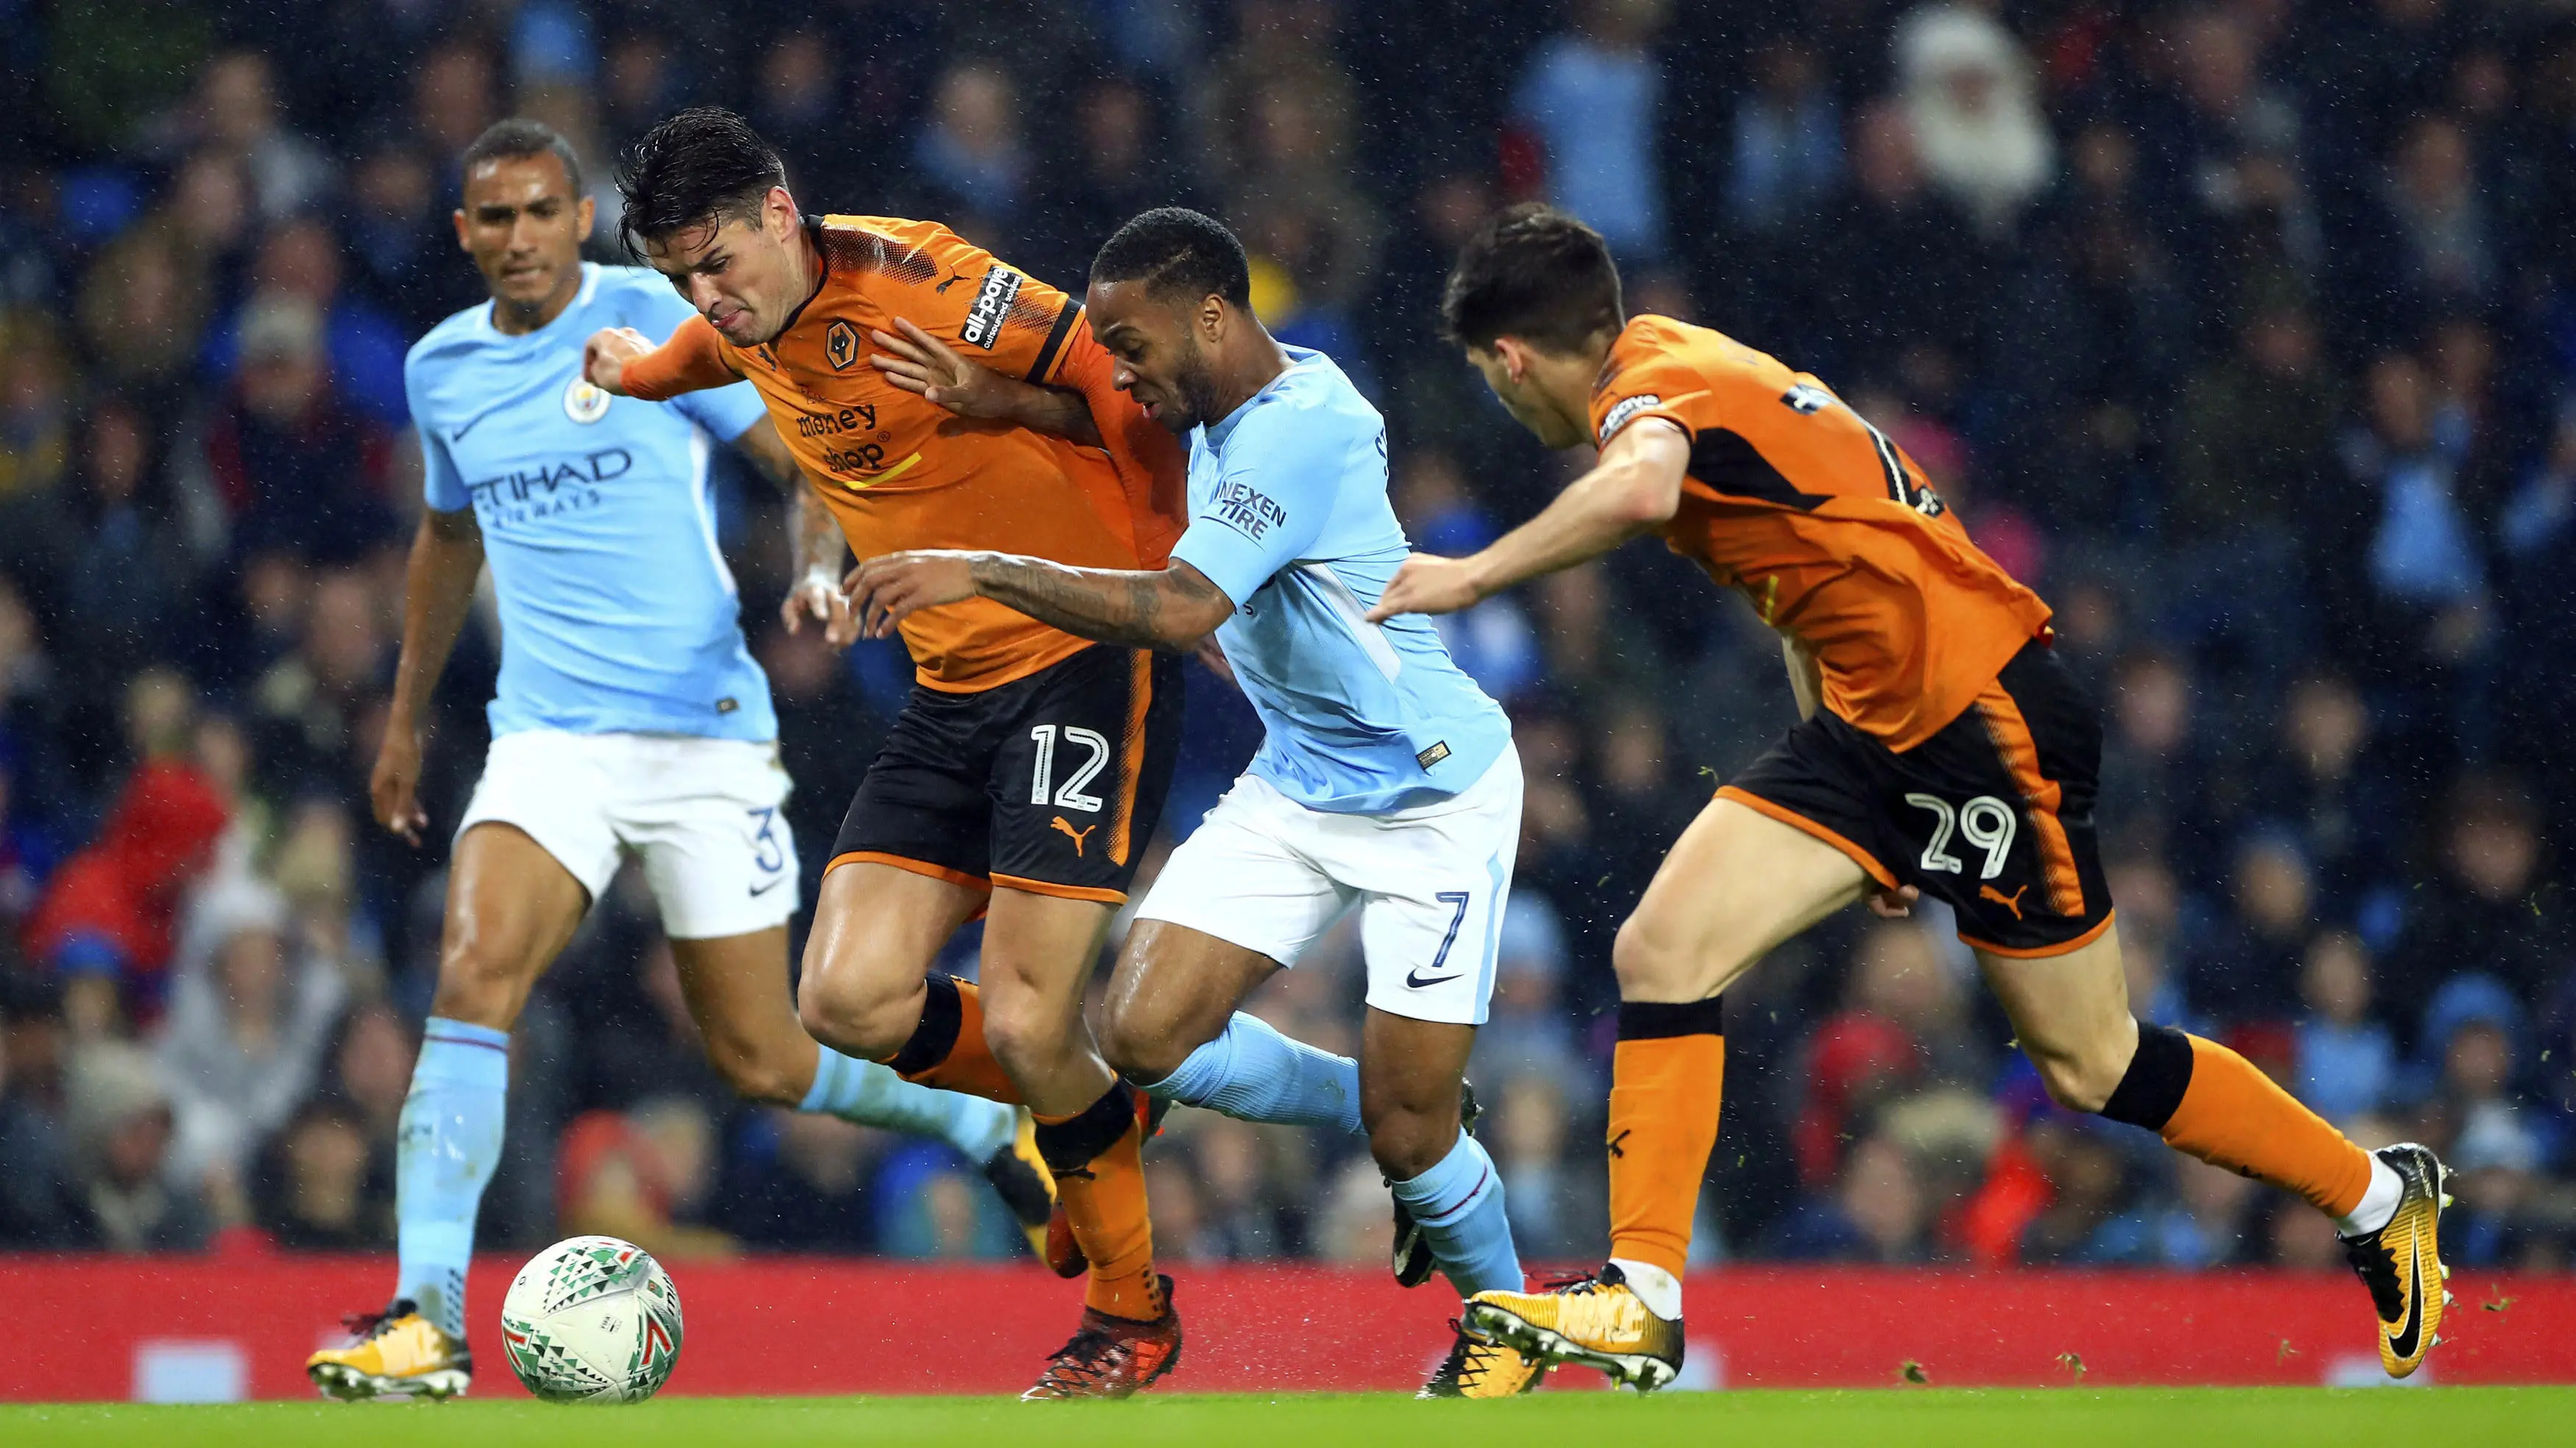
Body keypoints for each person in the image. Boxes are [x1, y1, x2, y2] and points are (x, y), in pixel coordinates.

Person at [1373, 205, 2452, 1388]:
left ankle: (2376, 1194)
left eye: (1488, 377)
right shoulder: (1684, 355)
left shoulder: (1650, 401)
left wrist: (1471, 573)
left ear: (1512, 359)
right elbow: (1805, 575)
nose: (1499, 401)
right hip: (1869, 731)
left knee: (2089, 1062)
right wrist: (1845, 820)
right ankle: (1643, 1294)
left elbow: (1636, 492)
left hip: (1980, 718)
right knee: (1663, 949)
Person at [305, 120, 1050, 1403]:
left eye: (543, 211)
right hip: (549, 741)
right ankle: (424, 1320)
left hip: (703, 733)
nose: (522, 236)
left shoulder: (662, 317)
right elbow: (444, 542)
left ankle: (976, 1117)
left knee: (762, 1057)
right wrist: (406, 719)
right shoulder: (441, 372)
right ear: (464, 234)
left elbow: (803, 451)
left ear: (575, 220)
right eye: (496, 218)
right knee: (474, 971)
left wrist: (818, 568)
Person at [848, 208, 1537, 1397]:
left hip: (1435, 795)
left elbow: (1179, 612)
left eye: (1130, 344)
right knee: (1141, 1037)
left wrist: (986, 567)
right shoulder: (1224, 404)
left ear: (1211, 316)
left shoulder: (1301, 434)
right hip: (1303, 779)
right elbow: (1114, 428)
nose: (1117, 372)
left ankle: (1505, 1327)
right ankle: (1393, 1101)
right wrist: (1005, 401)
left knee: (1415, 1142)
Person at [581, 107, 1192, 1399]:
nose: (709, 295)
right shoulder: (736, 320)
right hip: (950, 691)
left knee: (1030, 1019)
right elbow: (708, 354)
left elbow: (1127, 383)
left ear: (782, 211)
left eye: (722, 261)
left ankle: (1130, 1317)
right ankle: (1093, 1108)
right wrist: (633, 370)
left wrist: (1142, 546)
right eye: (680, 274)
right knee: (842, 1000)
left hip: (1081, 656)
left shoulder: (926, 280)